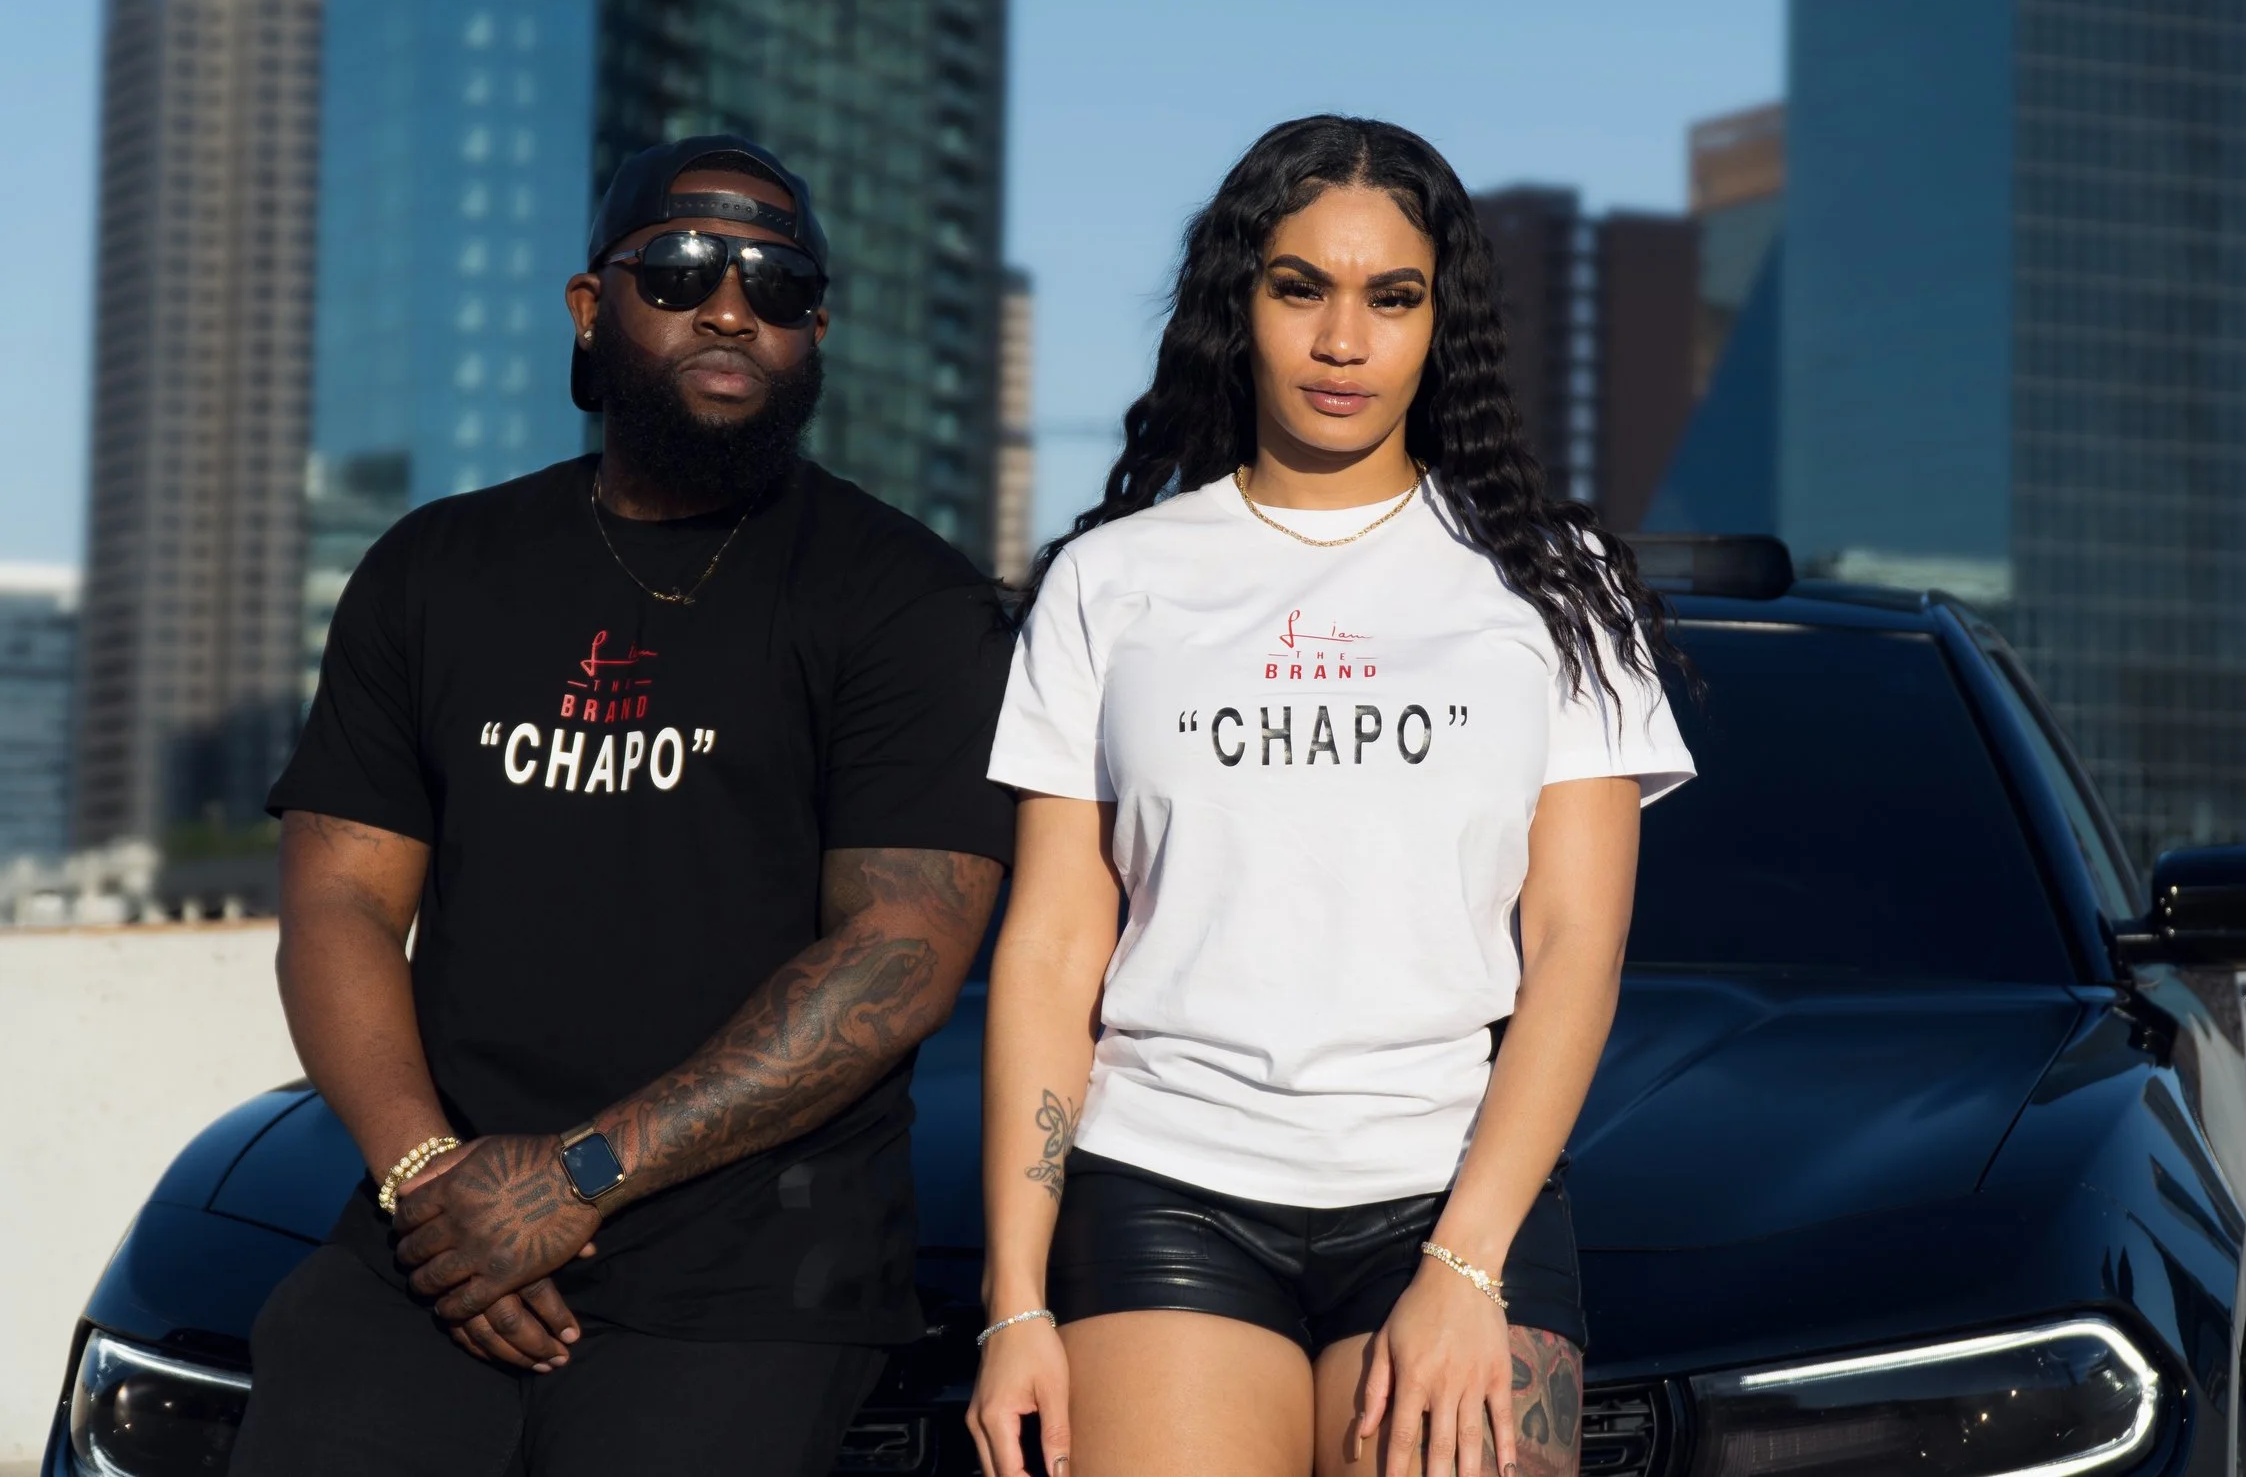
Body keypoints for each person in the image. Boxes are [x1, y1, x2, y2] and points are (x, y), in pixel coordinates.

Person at [230, 135, 1016, 1477]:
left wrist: (572, 1179)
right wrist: (432, 1179)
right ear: (593, 307)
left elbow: (901, 951)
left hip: (755, 1274)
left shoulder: (907, 599)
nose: (730, 308)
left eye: (776, 286)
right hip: (436, 1244)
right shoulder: (437, 570)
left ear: (814, 331)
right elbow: (342, 899)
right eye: (683, 269)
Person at [968, 116, 1695, 1477]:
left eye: (1391, 297)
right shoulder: (1113, 582)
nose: (1343, 340)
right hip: (1163, 1186)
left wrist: (1468, 1266)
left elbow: (1575, 954)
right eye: (1300, 287)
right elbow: (1054, 948)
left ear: (1442, 323)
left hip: (1449, 1188)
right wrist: (1014, 1296)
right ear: (1237, 307)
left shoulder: (1549, 582)